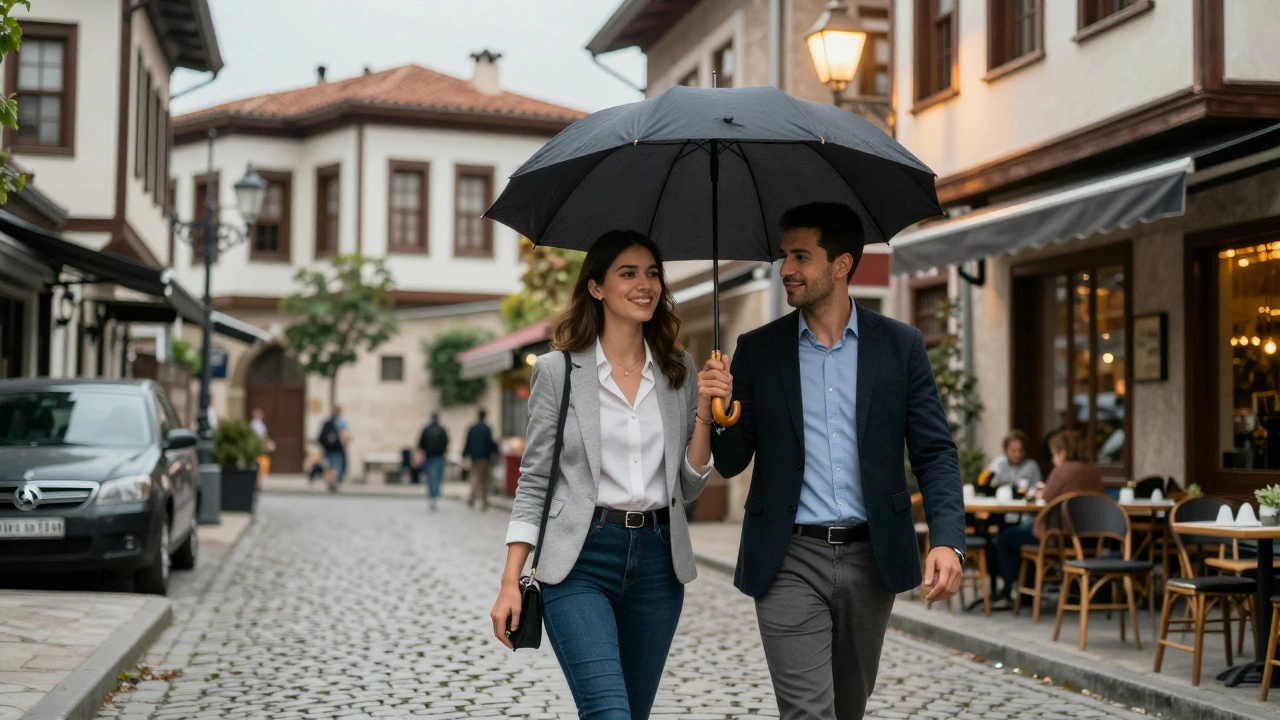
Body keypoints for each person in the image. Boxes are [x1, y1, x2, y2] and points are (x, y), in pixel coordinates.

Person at [699, 202, 965, 720]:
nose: (787, 270)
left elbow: (934, 451)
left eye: (801, 256)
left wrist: (948, 539)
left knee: (847, 709)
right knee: (807, 713)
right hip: (787, 558)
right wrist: (714, 409)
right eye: (784, 256)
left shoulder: (901, 346)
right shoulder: (758, 350)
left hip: (873, 557)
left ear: (842, 265)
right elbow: (730, 463)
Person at [491, 230, 713, 719]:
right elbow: (534, 480)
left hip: (659, 564)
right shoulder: (558, 371)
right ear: (596, 287)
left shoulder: (680, 371)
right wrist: (511, 580)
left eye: (653, 273)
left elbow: (691, 484)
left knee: (632, 713)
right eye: (628, 273)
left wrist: (705, 413)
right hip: (580, 560)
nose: (645, 285)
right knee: (608, 711)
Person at [989, 429, 1104, 604]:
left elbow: (1045, 499)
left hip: (1057, 537)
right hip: (1089, 539)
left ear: (1063, 453)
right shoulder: (1093, 472)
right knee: (1019, 534)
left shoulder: (1061, 471)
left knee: (1006, 538)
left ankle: (1016, 590)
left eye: (1054, 455)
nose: (1053, 459)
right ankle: (1025, 588)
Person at [984, 429, 1042, 495]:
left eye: (1021, 450)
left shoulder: (1031, 466)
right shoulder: (998, 465)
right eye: (1013, 451)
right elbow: (989, 486)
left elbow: (1037, 488)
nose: (1017, 454)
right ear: (1006, 450)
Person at [463, 410, 499, 510]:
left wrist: (464, 454)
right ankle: (483, 500)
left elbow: (468, 442)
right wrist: (496, 451)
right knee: (484, 479)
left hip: (474, 457)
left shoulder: (472, 428)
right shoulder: (487, 429)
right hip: (484, 457)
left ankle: (472, 496)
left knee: (474, 476)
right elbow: (490, 442)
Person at [417, 411, 449, 510]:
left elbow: (421, 444)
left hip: (429, 456)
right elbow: (446, 443)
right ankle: (435, 495)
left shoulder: (426, 429)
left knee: (431, 477)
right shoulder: (442, 429)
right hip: (439, 456)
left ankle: (432, 495)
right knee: (437, 476)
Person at [317, 405, 351, 494]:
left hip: (327, 449)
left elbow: (320, 437)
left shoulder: (326, 422)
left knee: (327, 467)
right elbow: (345, 436)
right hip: (337, 449)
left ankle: (329, 484)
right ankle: (334, 483)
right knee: (335, 467)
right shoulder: (341, 423)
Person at [249, 408, 276, 486]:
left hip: (259, 447)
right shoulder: (255, 424)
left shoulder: (259, 424)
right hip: (257, 448)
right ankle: (258, 481)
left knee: (261, 463)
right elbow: (259, 437)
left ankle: (259, 480)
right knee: (259, 464)